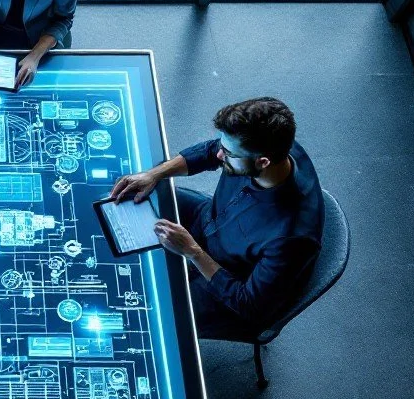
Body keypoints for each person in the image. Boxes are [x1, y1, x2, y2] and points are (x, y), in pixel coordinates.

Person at [112, 97, 324, 340]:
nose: (220, 154)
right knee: (134, 197)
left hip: (227, 282)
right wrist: (153, 174)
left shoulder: (291, 238)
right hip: (207, 221)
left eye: (229, 153)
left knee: (146, 314)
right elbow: (213, 151)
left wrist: (193, 252)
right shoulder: (269, 145)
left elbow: (249, 305)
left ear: (263, 162)